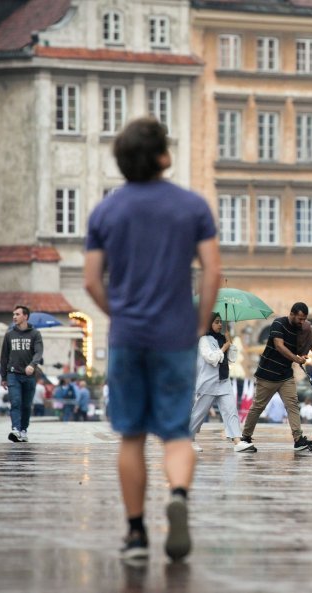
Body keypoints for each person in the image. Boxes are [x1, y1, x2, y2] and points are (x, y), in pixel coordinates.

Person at [84, 116, 220, 563]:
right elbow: (213, 272)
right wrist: (198, 324)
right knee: (176, 433)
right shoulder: (192, 207)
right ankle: (178, 494)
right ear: (164, 156)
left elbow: (90, 281)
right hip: (176, 335)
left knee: (131, 436)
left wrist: (118, 314)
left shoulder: (106, 211)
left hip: (128, 335)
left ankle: (137, 533)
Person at [237, 302, 312, 452]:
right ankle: (246, 437)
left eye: (304, 319)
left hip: (285, 375)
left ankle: (298, 439)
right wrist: (295, 358)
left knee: (293, 404)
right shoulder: (278, 323)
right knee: (258, 407)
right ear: (292, 314)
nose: (302, 322)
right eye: (300, 318)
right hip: (267, 374)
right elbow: (279, 346)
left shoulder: (301, 329)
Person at [189, 313, 253, 453]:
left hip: (224, 381)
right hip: (208, 382)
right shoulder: (204, 340)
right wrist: (224, 347)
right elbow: (211, 358)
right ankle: (189, 438)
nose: (219, 325)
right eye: (217, 322)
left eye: (221, 322)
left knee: (231, 410)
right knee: (199, 413)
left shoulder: (223, 338)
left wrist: (230, 344)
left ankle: (237, 441)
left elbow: (231, 359)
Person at [0, 305, 44, 443]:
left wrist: (32, 364)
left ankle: (23, 430)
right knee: (16, 402)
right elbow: (4, 357)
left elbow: (38, 352)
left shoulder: (35, 334)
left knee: (26, 405)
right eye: (13, 314)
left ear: (25, 316)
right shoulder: (9, 335)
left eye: (17, 314)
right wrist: (3, 377)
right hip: (13, 374)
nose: (14, 317)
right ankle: (15, 429)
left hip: (29, 376)